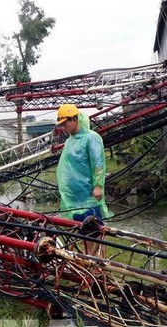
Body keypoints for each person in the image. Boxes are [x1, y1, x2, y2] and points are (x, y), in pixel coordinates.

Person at [55, 104, 112, 255]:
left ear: (74, 119)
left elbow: (98, 163)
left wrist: (98, 185)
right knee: (79, 228)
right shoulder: (69, 141)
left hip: (89, 193)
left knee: (94, 228)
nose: (63, 127)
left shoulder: (91, 138)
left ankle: (94, 260)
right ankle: (84, 259)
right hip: (73, 197)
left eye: (65, 123)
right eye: (61, 125)